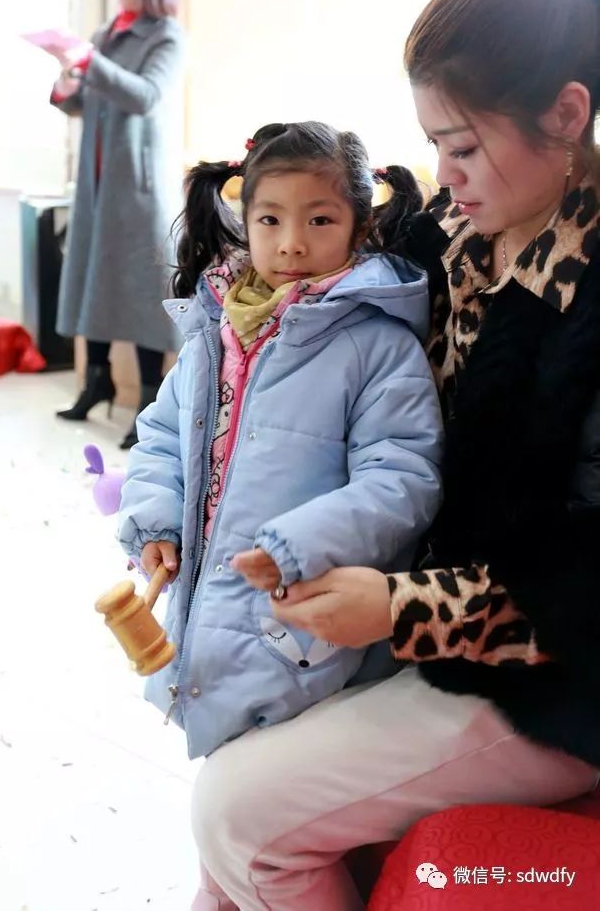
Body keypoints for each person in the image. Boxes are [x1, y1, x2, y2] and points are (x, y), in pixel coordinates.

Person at [188, 0, 600, 911]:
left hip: (551, 676)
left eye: (463, 147)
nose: (446, 174)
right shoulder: (445, 241)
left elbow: (583, 589)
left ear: (566, 114)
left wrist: (404, 608)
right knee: (235, 765)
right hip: (409, 608)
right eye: (433, 147)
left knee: (234, 813)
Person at [115, 120, 444, 759]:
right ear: (246, 221)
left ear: (359, 226)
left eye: (319, 220)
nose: (291, 243)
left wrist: (298, 544)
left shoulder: (377, 344)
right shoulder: (214, 331)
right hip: (207, 614)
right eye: (270, 220)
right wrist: (155, 520)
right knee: (226, 782)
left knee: (271, 788)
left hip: (300, 627)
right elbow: (160, 435)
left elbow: (403, 479)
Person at [49, 0, 185, 448]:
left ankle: (149, 400)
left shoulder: (167, 36)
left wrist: (88, 62)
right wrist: (67, 85)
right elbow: (88, 100)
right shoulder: (107, 32)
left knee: (144, 293)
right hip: (99, 183)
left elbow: (146, 95)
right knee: (95, 281)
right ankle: (96, 381)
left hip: (140, 188)